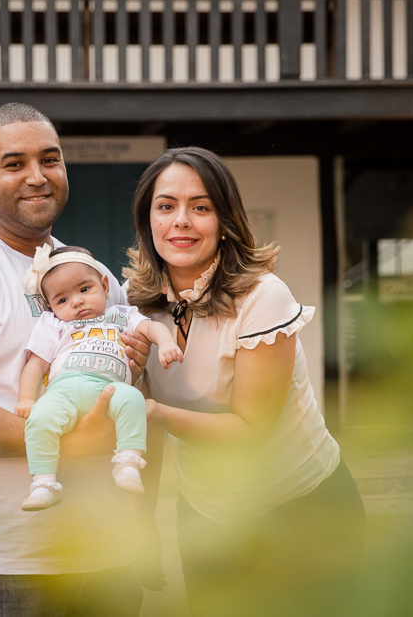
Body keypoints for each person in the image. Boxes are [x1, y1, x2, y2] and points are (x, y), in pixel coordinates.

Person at [0, 103, 154, 616]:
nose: (37, 176)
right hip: (8, 565)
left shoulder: (91, 275)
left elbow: (132, 389)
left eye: (50, 159)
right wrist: (71, 443)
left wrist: (137, 368)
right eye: (14, 163)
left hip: (108, 555)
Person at [124, 147, 366, 616]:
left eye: (201, 206)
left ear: (225, 219)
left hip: (302, 509)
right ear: (147, 220)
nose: (181, 220)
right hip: (205, 514)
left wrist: (154, 412)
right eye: (166, 206)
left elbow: (251, 432)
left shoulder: (262, 297)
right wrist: (143, 521)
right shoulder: (138, 304)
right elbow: (142, 431)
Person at [15, 244, 183, 510]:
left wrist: (166, 343)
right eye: (62, 300)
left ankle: (128, 462)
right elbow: (35, 365)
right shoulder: (54, 325)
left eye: (84, 289)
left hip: (109, 388)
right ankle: (44, 482)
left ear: (105, 286)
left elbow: (152, 328)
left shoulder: (122, 315)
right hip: (62, 392)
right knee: (40, 419)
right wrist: (26, 398)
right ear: (50, 307)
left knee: (133, 400)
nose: (77, 301)